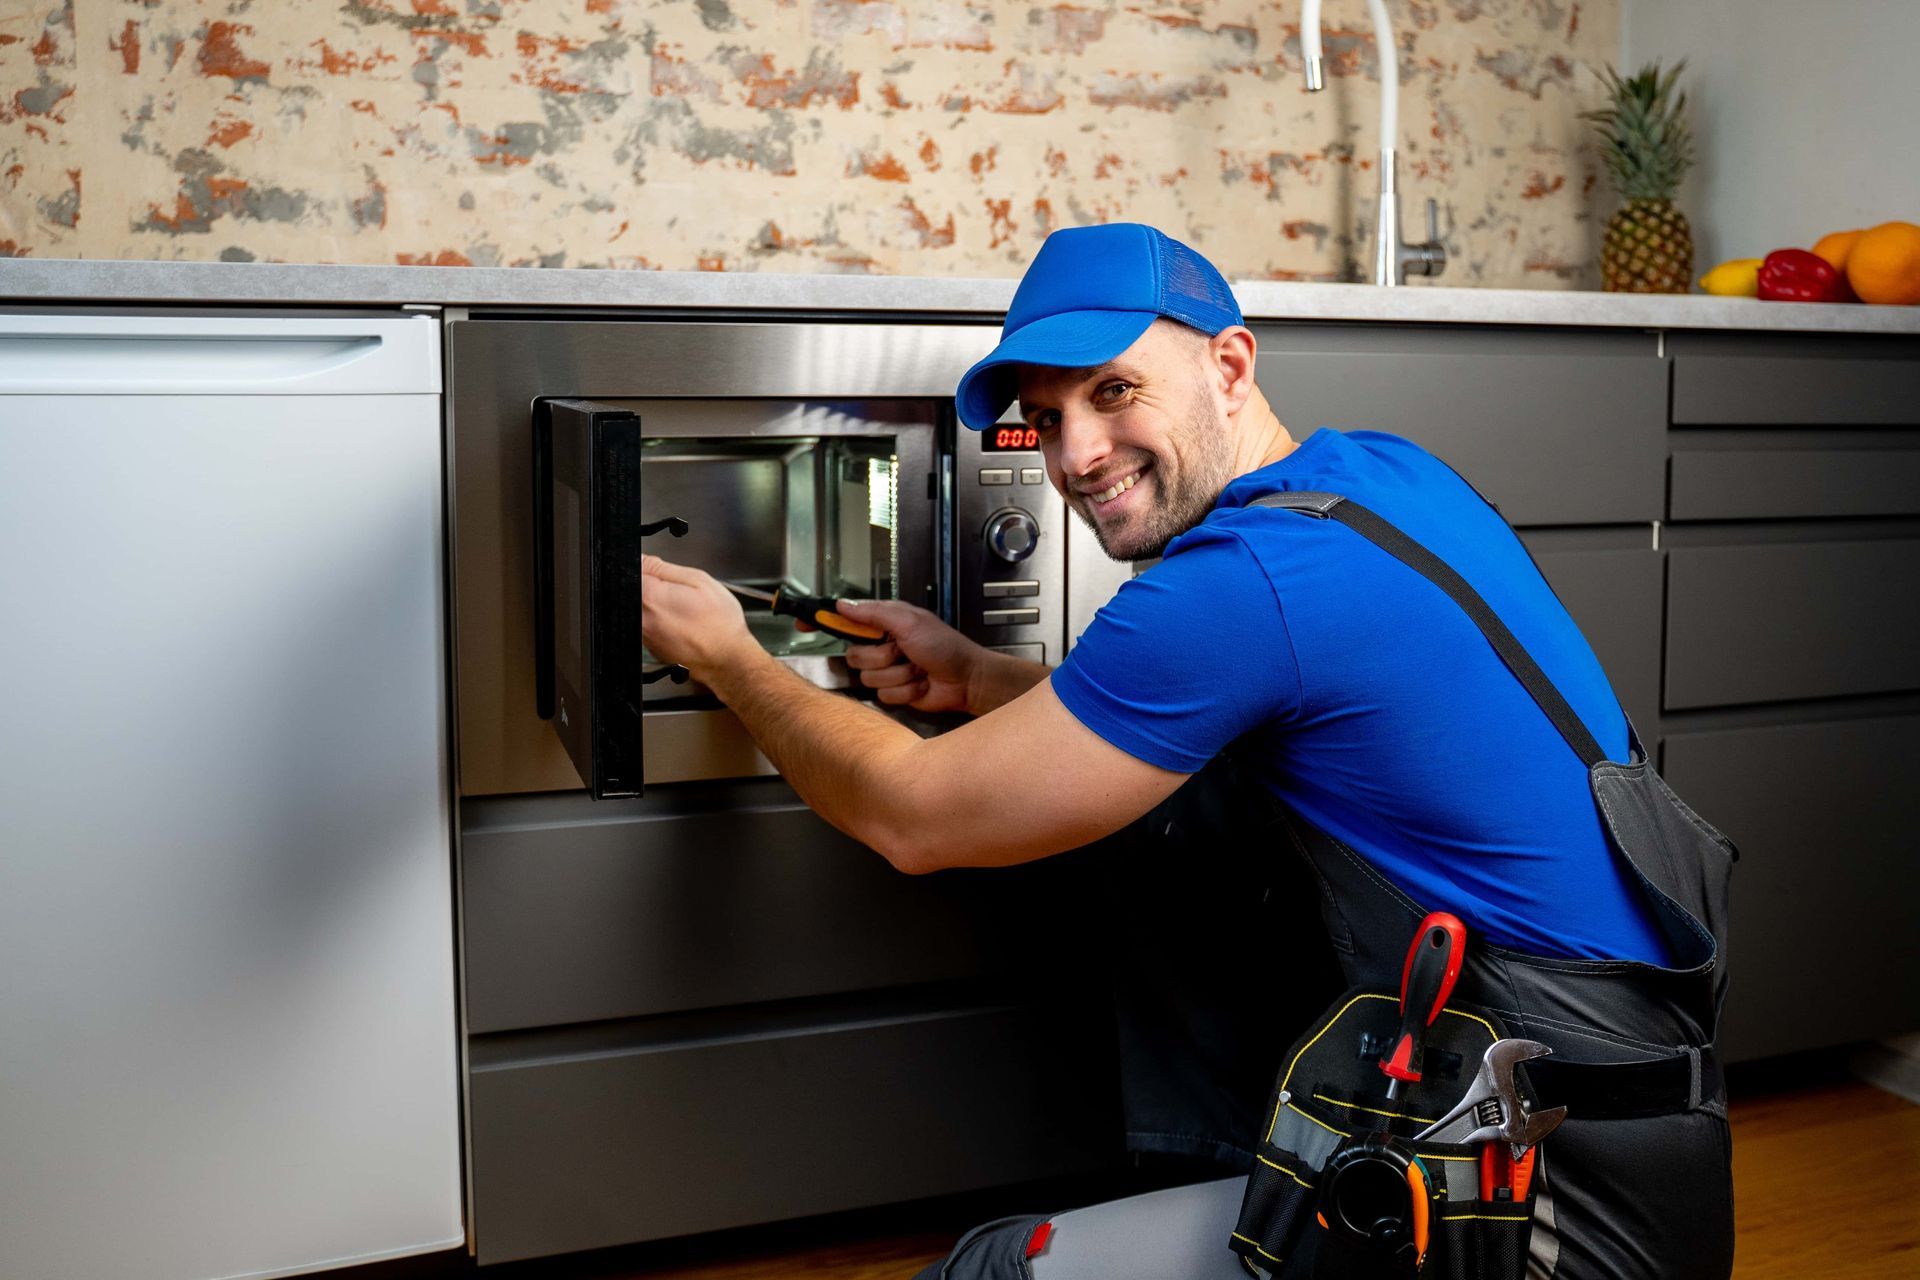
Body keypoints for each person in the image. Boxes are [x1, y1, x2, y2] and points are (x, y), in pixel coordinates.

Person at [638, 223, 1734, 1280]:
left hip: (1539, 1214)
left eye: (1113, 391)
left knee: (989, 1270)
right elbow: (1253, 710)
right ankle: (1227, 1179)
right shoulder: (1386, 479)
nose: (1076, 453)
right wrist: (980, 677)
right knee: (1191, 816)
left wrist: (734, 659)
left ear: (1229, 362)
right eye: (1044, 416)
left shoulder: (1239, 583)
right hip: (1632, 1136)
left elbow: (912, 815)